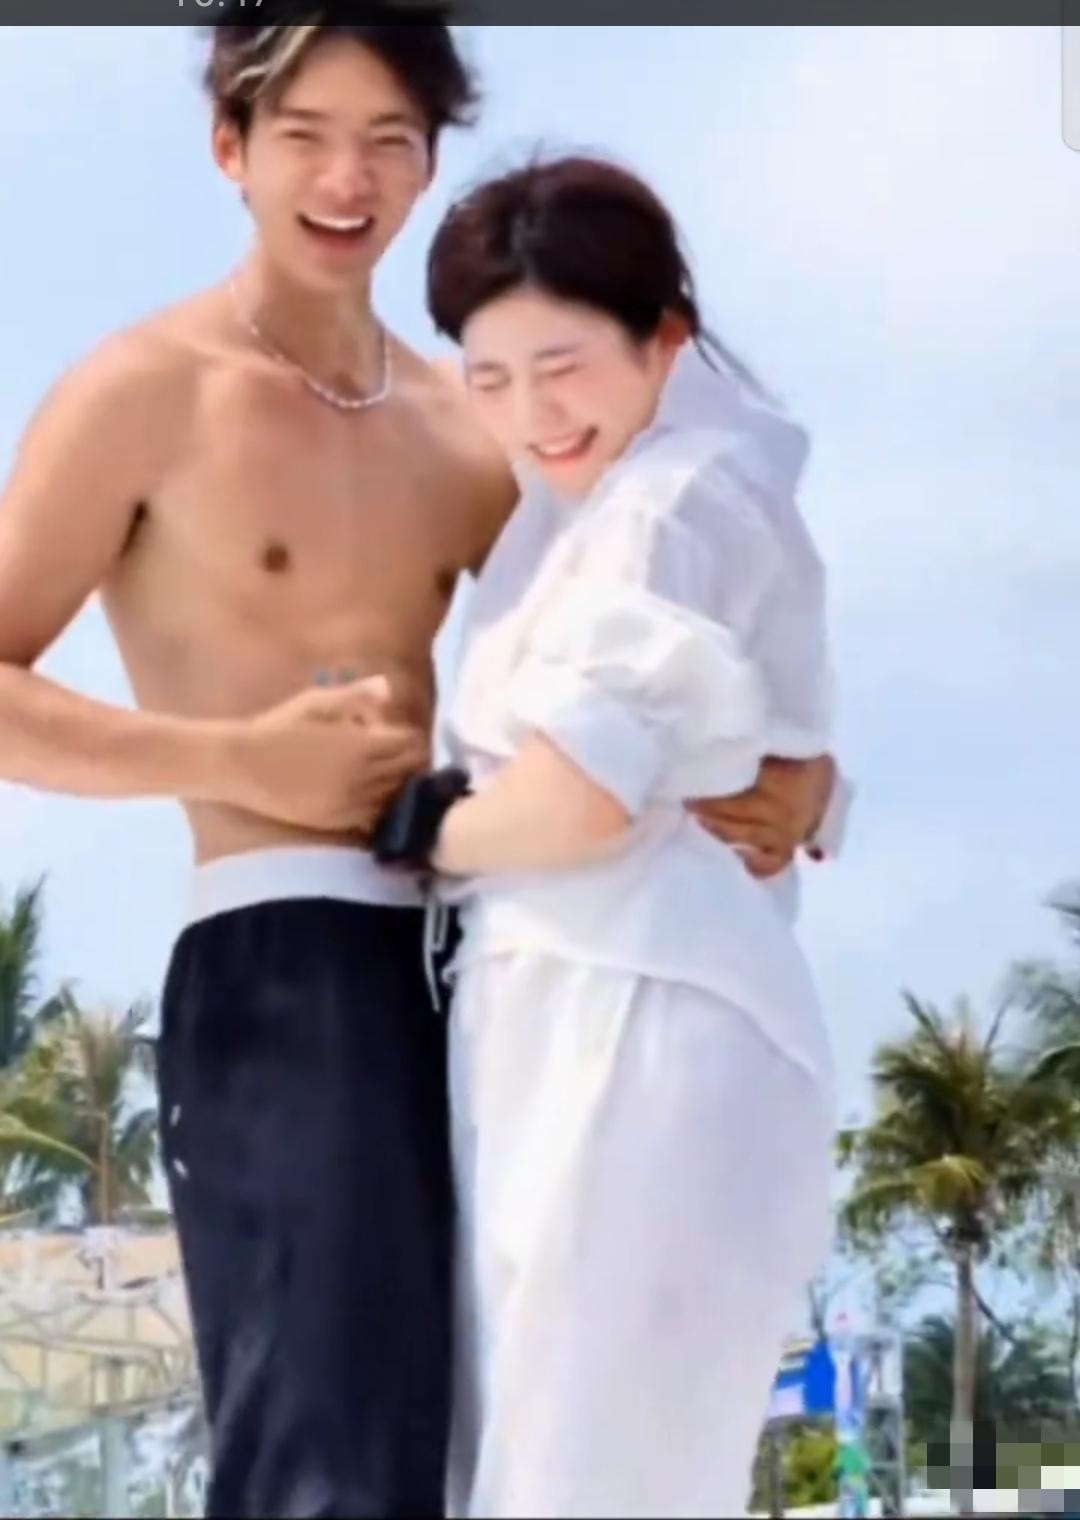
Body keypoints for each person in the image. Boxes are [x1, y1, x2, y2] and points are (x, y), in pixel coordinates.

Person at [0, 17, 839, 1518]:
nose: (349, 179)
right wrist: (235, 754)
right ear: (231, 148)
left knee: (501, 1453)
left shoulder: (481, 417)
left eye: (390, 140)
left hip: (503, 959)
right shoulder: (145, 392)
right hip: (285, 948)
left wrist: (818, 784)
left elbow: (672, 601)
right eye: (307, 136)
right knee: (326, 1458)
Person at [373, 155, 843, 1518]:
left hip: (636, 1012)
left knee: (585, 1467)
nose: (533, 413)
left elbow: (581, 799)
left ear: (665, 340)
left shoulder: (674, 501)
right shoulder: (593, 508)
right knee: (558, 1458)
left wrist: (431, 829)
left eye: (564, 367)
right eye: (493, 377)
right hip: (577, 1010)